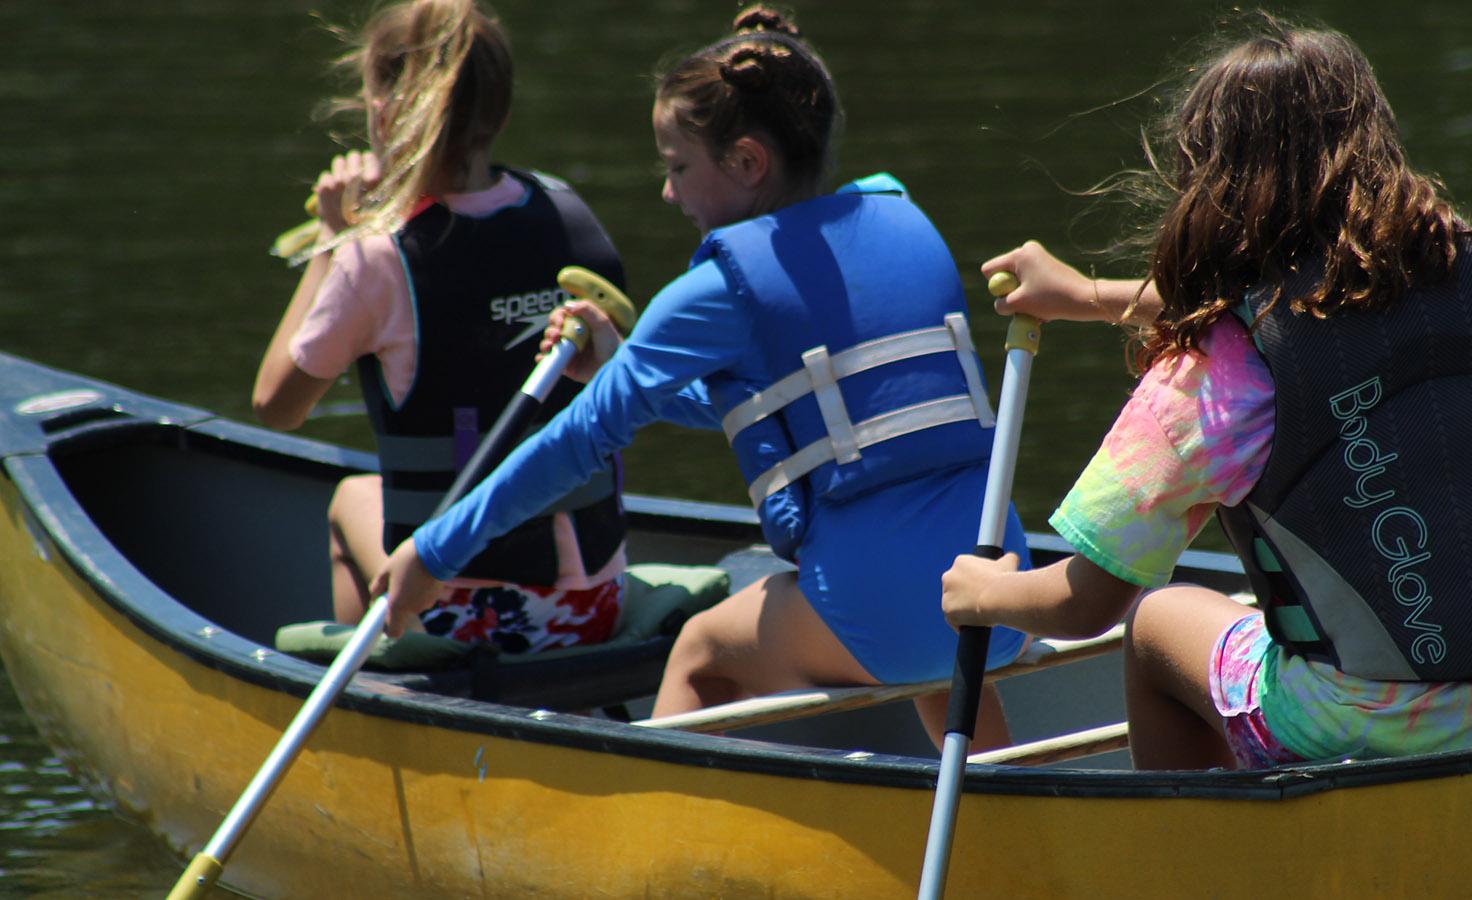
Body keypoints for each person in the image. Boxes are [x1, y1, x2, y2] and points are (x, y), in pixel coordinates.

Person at [942, 16, 1472, 770]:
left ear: (1211, 183)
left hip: (1391, 730)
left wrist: (984, 593)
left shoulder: (1208, 383)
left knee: (1155, 626)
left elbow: (1082, 607)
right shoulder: (1452, 262)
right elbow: (1305, 319)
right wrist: (1085, 296)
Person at [372, 6, 1028, 749]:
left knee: (703, 651)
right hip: (1003, 594)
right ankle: (1011, 824)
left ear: (748, 163)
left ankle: (638, 853)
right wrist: (621, 366)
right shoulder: (895, 223)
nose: (667, 191)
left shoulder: (719, 290)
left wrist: (434, 554)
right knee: (950, 665)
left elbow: (580, 438)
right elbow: (778, 413)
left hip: (887, 617)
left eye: (678, 166)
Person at [252, 0, 630, 654]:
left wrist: (334, 241)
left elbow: (276, 405)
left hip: (466, 612)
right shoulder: (567, 210)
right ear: (501, 111)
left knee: (350, 499)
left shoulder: (378, 256)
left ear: (382, 108)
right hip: (596, 602)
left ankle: (378, 685)